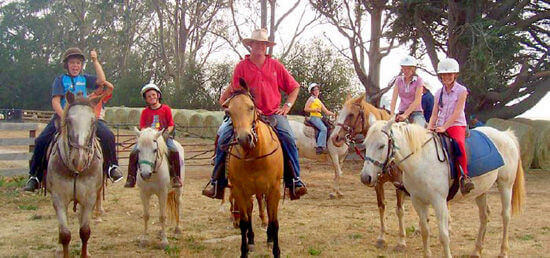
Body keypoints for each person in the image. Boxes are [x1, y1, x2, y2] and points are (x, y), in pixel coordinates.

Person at [202, 28, 307, 200]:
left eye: (263, 44)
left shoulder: (276, 66)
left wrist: (287, 105)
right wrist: (250, 108)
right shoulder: (241, 67)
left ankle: (295, 181)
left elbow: (294, 87)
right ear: (250, 45)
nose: (260, 46)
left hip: (272, 114)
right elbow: (236, 93)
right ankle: (216, 183)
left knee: (288, 137)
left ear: (266, 46)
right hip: (245, 115)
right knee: (223, 137)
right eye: (256, 43)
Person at [23, 48, 123, 192]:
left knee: (108, 135)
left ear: (81, 65)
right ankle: (35, 176)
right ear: (67, 65)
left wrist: (95, 60)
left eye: (78, 63)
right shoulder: (60, 80)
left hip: (85, 117)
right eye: (72, 63)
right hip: (63, 116)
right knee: (41, 141)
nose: (75, 66)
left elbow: (101, 80)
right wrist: (64, 116)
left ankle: (112, 167)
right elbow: (56, 101)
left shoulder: (85, 78)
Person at [428, 57, 475, 194]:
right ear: (440, 76)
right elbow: (434, 114)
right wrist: (429, 127)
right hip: (440, 125)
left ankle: (465, 176)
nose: (447, 77)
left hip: (456, 124)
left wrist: (445, 127)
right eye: (444, 74)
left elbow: (458, 112)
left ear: (455, 75)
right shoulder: (438, 93)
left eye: (450, 74)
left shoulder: (462, 91)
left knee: (459, 143)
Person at [123, 83, 183, 188]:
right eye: (149, 96)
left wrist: (166, 133)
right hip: (149, 138)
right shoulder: (145, 112)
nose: (152, 97)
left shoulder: (166, 109)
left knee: (174, 150)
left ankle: (176, 177)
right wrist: (145, 136)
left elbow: (171, 124)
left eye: (153, 95)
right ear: (146, 99)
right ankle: (131, 177)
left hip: (163, 136)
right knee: (133, 152)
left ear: (158, 95)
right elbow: (142, 127)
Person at [389, 55, 426, 126]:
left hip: (416, 112)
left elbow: (417, 100)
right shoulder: (399, 80)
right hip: (401, 111)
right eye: (404, 68)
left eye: (408, 69)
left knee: (419, 130)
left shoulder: (419, 80)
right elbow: (394, 99)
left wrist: (406, 114)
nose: (406, 71)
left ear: (413, 69)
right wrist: (391, 115)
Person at [303, 83, 335, 154]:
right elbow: (306, 109)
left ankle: (327, 144)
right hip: (314, 117)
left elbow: (326, 111)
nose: (317, 91)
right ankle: (320, 147)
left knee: (330, 127)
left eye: (317, 89)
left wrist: (334, 114)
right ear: (312, 92)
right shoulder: (311, 99)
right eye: (315, 90)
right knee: (323, 129)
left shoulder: (318, 100)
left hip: (320, 118)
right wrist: (314, 110)